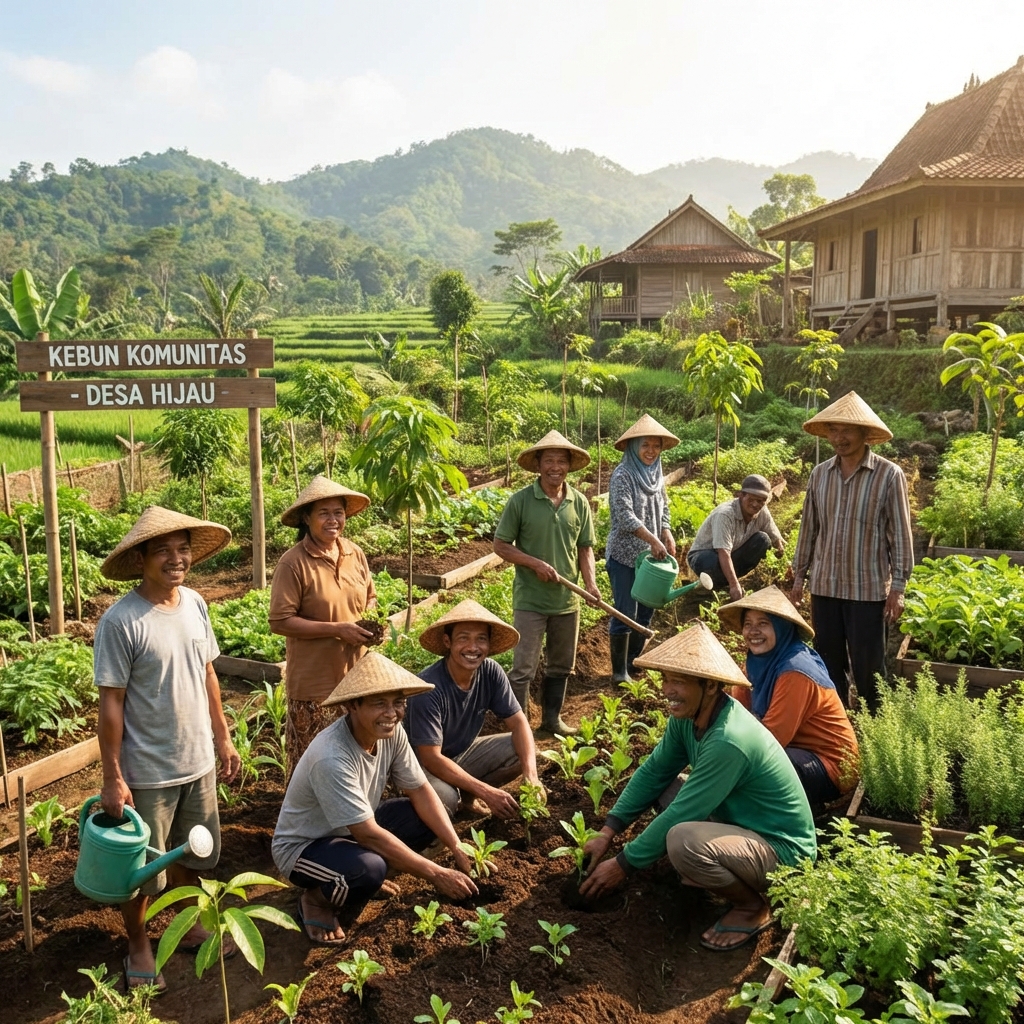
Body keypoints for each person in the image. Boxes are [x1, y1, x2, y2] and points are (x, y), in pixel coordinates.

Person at [579, 621, 816, 952]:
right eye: (665, 679)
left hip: (783, 852)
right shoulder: (688, 718)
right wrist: (608, 831)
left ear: (709, 686)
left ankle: (751, 907)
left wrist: (623, 864)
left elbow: (684, 812)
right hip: (742, 824)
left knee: (682, 840)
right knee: (666, 787)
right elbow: (654, 771)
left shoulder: (728, 740)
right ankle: (710, 868)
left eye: (678, 681)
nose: (666, 690)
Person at [94, 507, 241, 993]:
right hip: (148, 771)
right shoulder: (121, 621)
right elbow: (111, 703)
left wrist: (222, 737)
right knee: (140, 872)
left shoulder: (196, 603)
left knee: (194, 851)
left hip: (196, 760)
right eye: (164, 551)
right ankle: (138, 941)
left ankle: (190, 921)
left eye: (183, 550)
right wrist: (113, 775)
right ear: (141, 558)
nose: (177, 560)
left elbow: (208, 674)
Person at [272, 651, 478, 946]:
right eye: (379, 703)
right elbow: (368, 834)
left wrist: (456, 845)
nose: (391, 713)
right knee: (369, 869)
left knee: (428, 816)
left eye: (398, 702)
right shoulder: (331, 756)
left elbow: (420, 790)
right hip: (305, 846)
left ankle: (355, 877)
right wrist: (435, 873)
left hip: (351, 830)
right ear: (353, 706)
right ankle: (316, 900)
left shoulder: (392, 733)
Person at [790, 391, 914, 710]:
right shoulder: (820, 475)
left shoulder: (888, 475)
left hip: (867, 591)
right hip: (826, 588)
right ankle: (839, 727)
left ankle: (875, 729)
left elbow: (899, 535)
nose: (839, 438)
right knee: (829, 665)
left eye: (847, 430)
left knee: (869, 670)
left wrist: (898, 588)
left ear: (864, 433)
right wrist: (799, 578)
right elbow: (809, 530)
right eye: (833, 430)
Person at [493, 429, 600, 737]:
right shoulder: (521, 501)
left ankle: (552, 721)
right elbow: (501, 545)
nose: (556, 467)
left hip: (567, 601)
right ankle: (521, 727)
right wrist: (534, 563)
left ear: (569, 466)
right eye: (549, 460)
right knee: (523, 668)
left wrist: (591, 583)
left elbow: (585, 549)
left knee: (561, 665)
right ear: (538, 464)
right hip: (530, 600)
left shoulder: (579, 502)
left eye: (561, 461)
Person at [270, 475, 377, 771]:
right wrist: (337, 629)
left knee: (354, 763)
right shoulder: (293, 563)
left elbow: (370, 596)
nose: (333, 520)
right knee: (315, 766)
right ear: (306, 518)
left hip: (356, 680)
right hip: (315, 688)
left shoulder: (354, 553)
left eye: (338, 513)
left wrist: (370, 620)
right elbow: (280, 621)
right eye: (324, 513)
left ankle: (354, 818)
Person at [719, 586, 859, 811]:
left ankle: (797, 819)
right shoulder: (758, 663)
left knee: (758, 769)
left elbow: (771, 739)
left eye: (763, 623)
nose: (753, 631)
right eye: (748, 624)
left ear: (782, 627)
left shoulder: (795, 671)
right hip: (795, 750)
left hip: (832, 766)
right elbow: (735, 713)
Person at [406, 599, 543, 818]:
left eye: (481, 639)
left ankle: (467, 801)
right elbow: (431, 757)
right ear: (447, 641)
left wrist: (532, 776)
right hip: (421, 766)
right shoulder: (429, 687)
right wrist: (486, 791)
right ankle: (436, 824)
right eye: (464, 638)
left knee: (524, 752)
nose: (473, 647)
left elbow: (519, 724)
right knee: (446, 799)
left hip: (461, 754)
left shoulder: (490, 671)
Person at [605, 413, 680, 683]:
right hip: (625, 555)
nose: (651, 451)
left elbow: (664, 508)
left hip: (651, 558)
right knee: (626, 611)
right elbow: (624, 517)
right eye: (645, 445)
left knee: (647, 608)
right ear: (634, 447)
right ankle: (618, 672)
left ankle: (631, 662)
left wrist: (666, 531)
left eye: (656, 446)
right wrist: (653, 539)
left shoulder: (656, 474)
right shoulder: (622, 475)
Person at [686, 474, 785, 601]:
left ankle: (721, 583)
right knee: (710, 561)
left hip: (730, 555)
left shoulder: (762, 511)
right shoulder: (725, 515)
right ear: (741, 495)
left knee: (762, 540)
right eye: (751, 499)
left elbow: (774, 535)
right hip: (703, 556)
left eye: (760, 501)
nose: (755, 504)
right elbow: (723, 552)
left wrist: (782, 555)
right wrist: (734, 585)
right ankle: (703, 588)